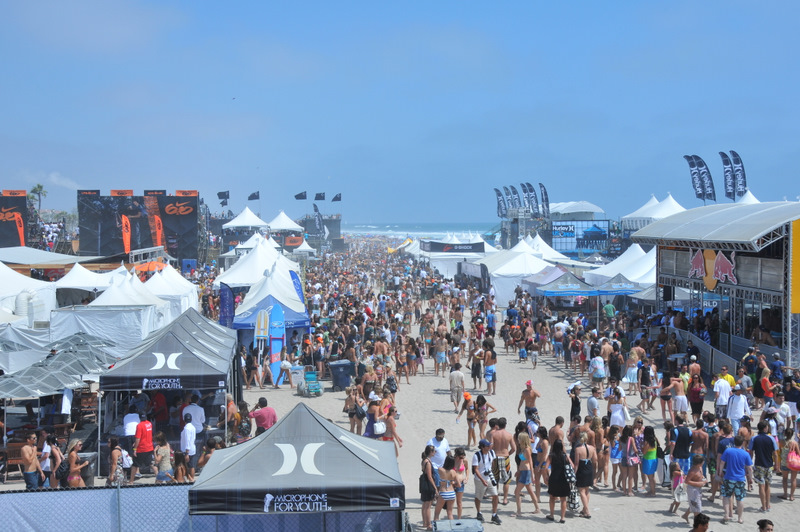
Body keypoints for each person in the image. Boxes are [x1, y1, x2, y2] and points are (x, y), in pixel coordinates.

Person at [720, 434, 754, 524]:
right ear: (742, 443)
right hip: (740, 478)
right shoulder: (745, 453)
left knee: (726, 496)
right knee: (740, 499)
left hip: (729, 477)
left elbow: (722, 462)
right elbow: (749, 468)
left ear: (734, 442)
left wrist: (720, 472)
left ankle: (726, 515)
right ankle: (740, 518)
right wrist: (750, 478)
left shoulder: (728, 451)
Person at [750, 421, 778, 512]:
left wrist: (749, 464)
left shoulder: (754, 438)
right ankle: (768, 504)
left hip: (759, 464)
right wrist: (777, 465)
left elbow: (751, 452)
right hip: (769, 465)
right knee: (768, 485)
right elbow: (775, 453)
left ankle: (763, 506)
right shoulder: (771, 438)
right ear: (765, 428)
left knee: (761, 486)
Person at [472, 438, 501, 525]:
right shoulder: (477, 455)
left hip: (489, 477)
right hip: (479, 479)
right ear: (482, 447)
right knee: (478, 497)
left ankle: (494, 514)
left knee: (495, 495)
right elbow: (476, 469)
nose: (489, 447)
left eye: (489, 445)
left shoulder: (491, 452)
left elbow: (493, 463)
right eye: (487, 446)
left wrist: (492, 473)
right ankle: (479, 513)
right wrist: (482, 480)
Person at [511, 432, 540, 517]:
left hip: (526, 472)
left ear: (523, 440)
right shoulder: (522, 448)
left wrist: (532, 475)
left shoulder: (527, 449)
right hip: (523, 471)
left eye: (519, 439)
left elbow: (530, 462)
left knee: (517, 491)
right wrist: (519, 471)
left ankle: (519, 511)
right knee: (530, 491)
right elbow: (521, 462)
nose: (518, 440)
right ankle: (537, 508)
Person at [544, 439, 573, 523]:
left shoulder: (551, 455)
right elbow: (572, 466)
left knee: (552, 497)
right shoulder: (565, 456)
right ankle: (562, 517)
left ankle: (551, 515)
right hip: (564, 478)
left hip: (554, 478)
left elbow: (546, 467)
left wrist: (547, 476)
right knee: (563, 499)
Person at [574, 432, 596, 518]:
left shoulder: (578, 449)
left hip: (582, 468)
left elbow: (576, 464)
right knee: (587, 490)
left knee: (581, 491)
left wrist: (574, 473)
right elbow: (595, 460)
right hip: (589, 467)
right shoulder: (592, 448)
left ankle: (587, 511)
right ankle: (584, 509)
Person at [681, 454, 707, 524]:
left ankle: (685, 515)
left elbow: (701, 475)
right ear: (699, 463)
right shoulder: (692, 471)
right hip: (692, 489)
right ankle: (696, 525)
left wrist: (703, 479)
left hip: (698, 489)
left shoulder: (700, 468)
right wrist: (700, 483)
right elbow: (687, 481)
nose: (703, 462)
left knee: (694, 504)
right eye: (703, 462)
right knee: (697, 508)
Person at [131, 412, 153, 484]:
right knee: (151, 464)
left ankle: (131, 481)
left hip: (141, 448)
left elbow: (138, 438)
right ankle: (159, 479)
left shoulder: (139, 425)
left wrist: (135, 449)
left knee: (135, 465)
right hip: (149, 447)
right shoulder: (149, 424)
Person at [433, 456, 457, 521]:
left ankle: (436, 526)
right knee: (450, 513)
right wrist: (452, 482)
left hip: (443, 492)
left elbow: (436, 468)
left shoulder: (441, 470)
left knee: (437, 513)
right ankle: (452, 526)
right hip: (452, 493)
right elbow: (458, 484)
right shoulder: (453, 472)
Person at [420, 445, 437, 531]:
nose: (435, 452)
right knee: (428, 506)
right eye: (434, 451)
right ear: (430, 452)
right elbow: (430, 477)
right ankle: (428, 524)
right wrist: (435, 488)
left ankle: (424, 522)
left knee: (424, 504)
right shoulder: (428, 463)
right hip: (428, 485)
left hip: (424, 484)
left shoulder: (424, 460)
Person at [779, 427, 799, 500]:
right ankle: (791, 496)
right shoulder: (794, 443)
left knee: (785, 479)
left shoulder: (782, 442)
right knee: (793, 479)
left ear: (785, 434)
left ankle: (785, 494)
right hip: (793, 463)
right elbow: (798, 453)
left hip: (785, 462)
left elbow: (779, 452)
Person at [181, 412, 198, 482]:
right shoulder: (193, 427)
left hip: (187, 450)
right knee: (192, 466)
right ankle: (192, 479)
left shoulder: (186, 429)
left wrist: (187, 453)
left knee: (185, 466)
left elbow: (187, 440)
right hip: (192, 448)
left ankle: (190, 479)